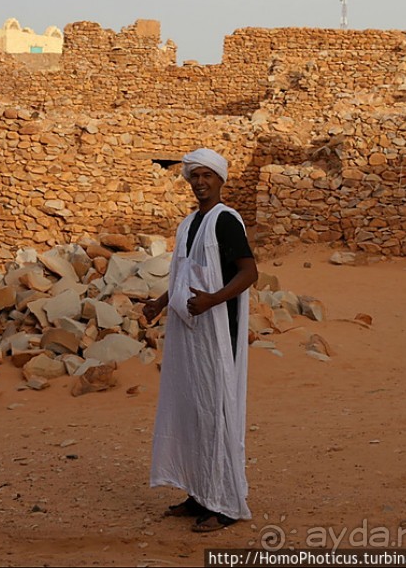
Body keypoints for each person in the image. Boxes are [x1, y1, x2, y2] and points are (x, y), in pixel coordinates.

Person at [143, 147, 258, 533]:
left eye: (207, 175)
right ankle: (199, 493)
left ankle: (226, 504)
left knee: (217, 413)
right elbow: (183, 273)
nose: (200, 182)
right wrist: (159, 303)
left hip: (216, 334)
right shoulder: (189, 223)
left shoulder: (226, 221)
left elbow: (249, 273)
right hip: (187, 333)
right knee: (192, 411)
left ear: (220, 179)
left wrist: (212, 300)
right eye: (194, 176)